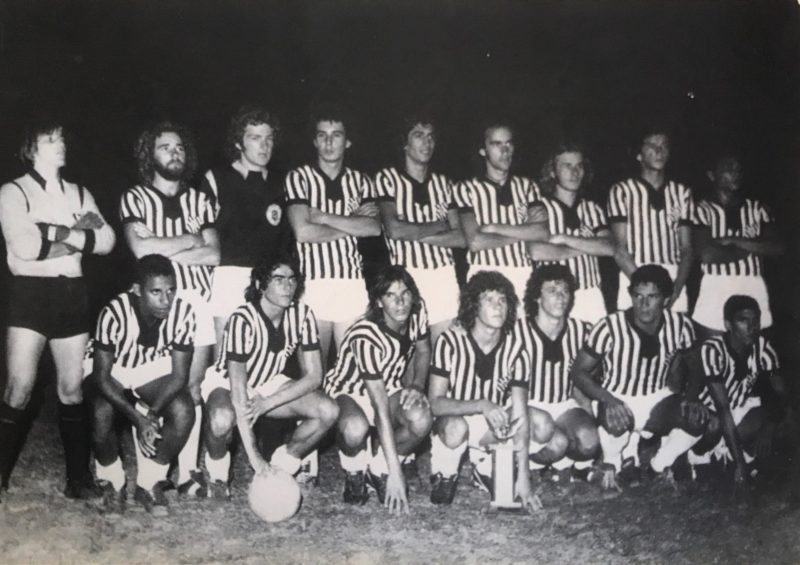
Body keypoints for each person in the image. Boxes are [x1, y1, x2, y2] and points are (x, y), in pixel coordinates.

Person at [0, 119, 115, 501]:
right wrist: (80, 238)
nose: (61, 143)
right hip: (30, 295)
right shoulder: (14, 192)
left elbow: (107, 241)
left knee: (71, 389)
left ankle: (77, 480)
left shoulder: (79, 193)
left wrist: (57, 233)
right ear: (31, 148)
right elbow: (26, 247)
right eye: (51, 139)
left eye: (63, 137)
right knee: (20, 388)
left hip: (71, 294)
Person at [122, 122, 219, 496]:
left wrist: (164, 245)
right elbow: (141, 252)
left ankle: (187, 472)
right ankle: (151, 473)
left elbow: (214, 253)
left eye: (179, 147)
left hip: (199, 300)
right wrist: (191, 239)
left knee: (193, 388)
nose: (174, 153)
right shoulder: (135, 197)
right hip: (159, 306)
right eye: (165, 147)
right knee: (158, 391)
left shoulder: (200, 200)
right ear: (151, 155)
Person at [202, 252, 338, 499]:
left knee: (328, 410)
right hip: (228, 383)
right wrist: (256, 459)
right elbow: (239, 392)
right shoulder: (243, 319)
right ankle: (218, 474)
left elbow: (315, 376)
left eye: (292, 279)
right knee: (221, 419)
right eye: (278, 279)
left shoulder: (302, 314)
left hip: (268, 381)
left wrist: (268, 403)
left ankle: (282, 466)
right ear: (260, 284)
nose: (288, 286)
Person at [570, 265, 706, 490]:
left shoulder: (680, 325)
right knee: (615, 421)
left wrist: (692, 397)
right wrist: (607, 399)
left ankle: (658, 466)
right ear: (630, 295)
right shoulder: (609, 326)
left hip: (657, 398)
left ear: (666, 298)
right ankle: (616, 462)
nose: (643, 304)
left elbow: (696, 366)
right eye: (638, 296)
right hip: (618, 396)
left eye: (652, 297)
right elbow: (578, 371)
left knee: (698, 418)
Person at [85, 255, 196, 516]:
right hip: (112, 369)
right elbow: (102, 377)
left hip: (148, 366)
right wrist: (138, 418)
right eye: (156, 292)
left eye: (171, 291)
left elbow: (179, 376)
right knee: (101, 411)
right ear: (136, 290)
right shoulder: (114, 312)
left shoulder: (182, 313)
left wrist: (153, 414)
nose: (165, 300)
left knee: (183, 409)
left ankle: (150, 481)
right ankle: (113, 481)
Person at [427, 271, 540, 511]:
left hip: (492, 427)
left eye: (503, 300)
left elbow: (520, 415)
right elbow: (435, 403)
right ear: (474, 305)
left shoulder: (517, 349)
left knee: (507, 497)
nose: (498, 307)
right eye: (489, 300)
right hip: (454, 420)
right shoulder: (450, 341)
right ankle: (444, 471)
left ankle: (484, 465)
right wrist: (481, 404)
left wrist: (524, 480)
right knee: (456, 428)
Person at [325, 265, 433, 514]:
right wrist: (397, 474)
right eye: (391, 296)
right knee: (355, 428)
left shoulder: (417, 311)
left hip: (390, 385)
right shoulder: (366, 335)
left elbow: (424, 350)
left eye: (405, 294)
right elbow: (379, 407)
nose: (401, 302)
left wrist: (416, 385)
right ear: (379, 302)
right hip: (349, 390)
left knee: (421, 417)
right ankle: (354, 467)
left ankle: (378, 465)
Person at [284, 108, 380, 368]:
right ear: (314, 141)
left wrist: (323, 216)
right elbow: (303, 233)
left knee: (356, 374)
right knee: (314, 378)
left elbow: (373, 228)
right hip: (313, 284)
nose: (328, 143)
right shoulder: (299, 177)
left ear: (347, 141)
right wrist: (352, 221)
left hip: (351, 284)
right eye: (322, 136)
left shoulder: (361, 181)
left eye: (336, 135)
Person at [200, 106, 293, 349]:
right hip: (228, 276)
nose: (264, 146)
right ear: (239, 143)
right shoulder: (216, 177)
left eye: (269, 138)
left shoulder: (282, 182)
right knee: (226, 360)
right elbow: (201, 230)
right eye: (255, 138)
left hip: (268, 280)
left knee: (266, 356)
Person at [373, 116, 465, 343]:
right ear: (405, 142)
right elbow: (394, 230)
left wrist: (412, 232)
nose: (427, 142)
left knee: (446, 353)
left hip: (444, 274)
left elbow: (461, 238)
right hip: (406, 276)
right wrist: (439, 226)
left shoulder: (444, 184)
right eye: (418, 135)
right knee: (411, 355)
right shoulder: (387, 179)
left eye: (431, 136)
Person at [687, 295, 786, 484]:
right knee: (713, 425)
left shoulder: (763, 348)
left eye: (755, 320)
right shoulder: (713, 348)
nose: (751, 327)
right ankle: (699, 455)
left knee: (781, 419)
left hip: (738, 409)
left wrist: (769, 426)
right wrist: (741, 465)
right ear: (728, 324)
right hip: (710, 414)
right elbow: (723, 408)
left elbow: (781, 395)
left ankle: (736, 456)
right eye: (743, 320)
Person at [454, 121, 548, 315]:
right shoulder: (466, 188)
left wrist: (493, 227)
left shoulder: (528, 187)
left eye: (509, 144)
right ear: (483, 150)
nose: (505, 151)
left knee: (524, 341)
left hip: (523, 274)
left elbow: (542, 232)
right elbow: (475, 241)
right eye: (497, 144)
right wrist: (524, 231)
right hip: (484, 274)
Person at [519, 265, 599, 482]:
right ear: (537, 296)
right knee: (557, 444)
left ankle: (565, 466)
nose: (561, 297)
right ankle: (531, 463)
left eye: (565, 291)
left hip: (564, 404)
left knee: (590, 440)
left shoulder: (583, 331)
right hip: (530, 406)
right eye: (552, 290)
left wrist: (587, 406)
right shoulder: (517, 331)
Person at [692, 155, 783, 338]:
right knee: (715, 353)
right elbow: (708, 255)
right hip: (716, 285)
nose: (735, 174)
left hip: (753, 283)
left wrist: (736, 241)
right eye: (728, 169)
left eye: (738, 169)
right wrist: (755, 246)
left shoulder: (758, 209)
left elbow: (778, 248)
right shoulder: (702, 209)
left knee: (755, 356)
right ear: (712, 175)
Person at [607, 128, 694, 312]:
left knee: (675, 338)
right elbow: (619, 249)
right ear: (639, 155)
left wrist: (675, 289)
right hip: (634, 275)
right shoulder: (622, 191)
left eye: (664, 146)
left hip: (673, 278)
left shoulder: (682, 192)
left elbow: (687, 249)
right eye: (652, 146)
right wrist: (645, 288)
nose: (659, 151)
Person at [527, 143, 614, 324]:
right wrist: (589, 245)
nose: (574, 172)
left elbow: (609, 247)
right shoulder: (540, 207)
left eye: (579, 165)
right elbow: (537, 251)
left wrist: (566, 239)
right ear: (552, 172)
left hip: (591, 296)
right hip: (553, 297)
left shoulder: (592, 209)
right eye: (567, 165)